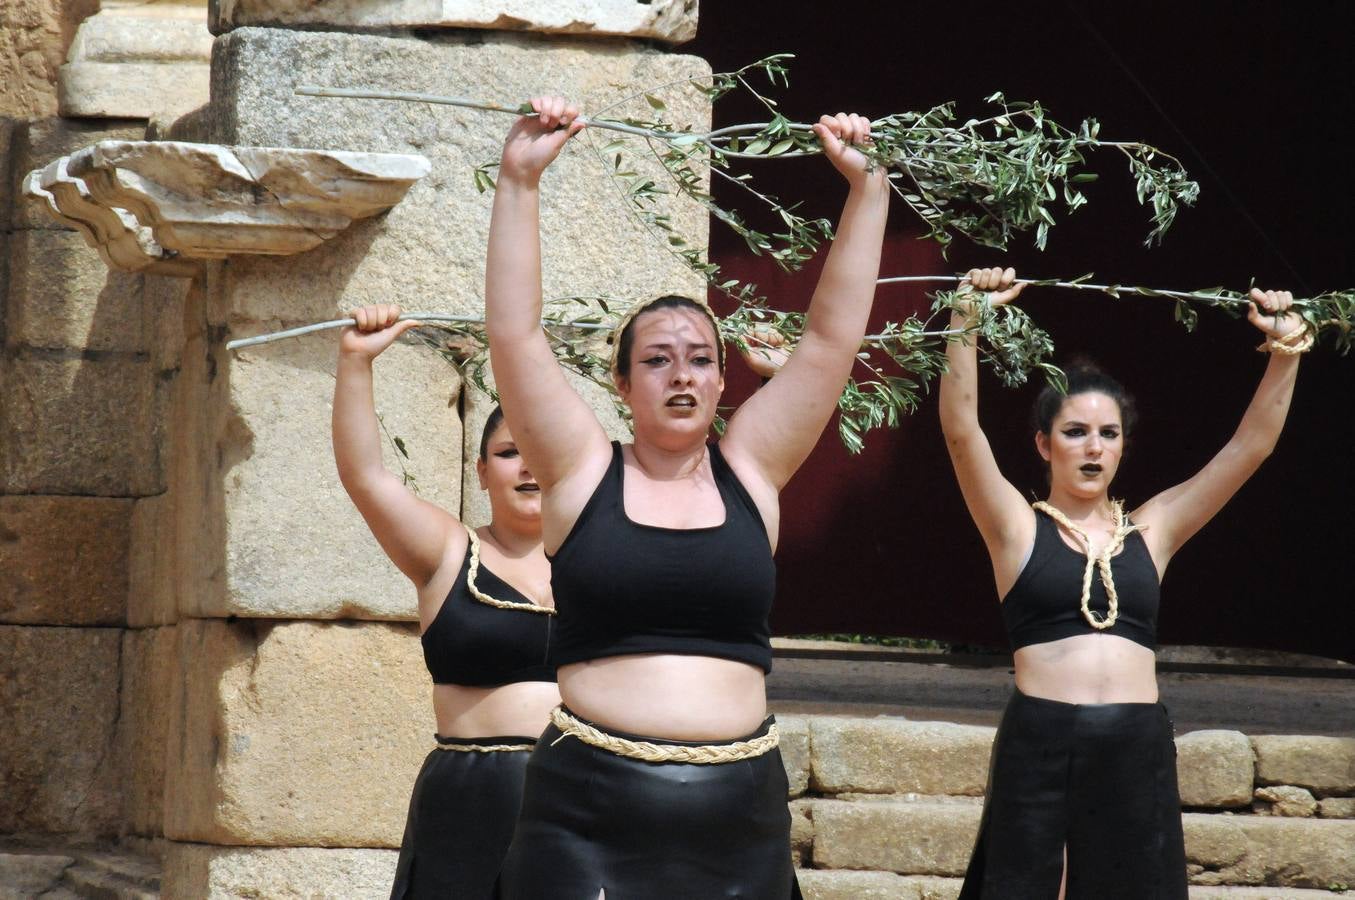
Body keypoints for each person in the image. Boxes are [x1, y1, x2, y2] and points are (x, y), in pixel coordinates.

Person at [483, 96, 890, 898]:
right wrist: (517, 183)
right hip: (587, 811)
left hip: (737, 817)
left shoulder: (753, 471)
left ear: (721, 378)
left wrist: (867, 191)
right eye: (658, 360)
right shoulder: (578, 473)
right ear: (622, 382)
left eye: (700, 360)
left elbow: (829, 342)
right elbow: (515, 337)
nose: (681, 376)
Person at [940, 267, 1307, 899]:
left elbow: (1252, 446)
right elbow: (961, 429)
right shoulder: (1014, 529)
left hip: (1135, 743)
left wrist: (1285, 350)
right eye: (1074, 431)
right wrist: (964, 320)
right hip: (1042, 739)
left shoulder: (1154, 529)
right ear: (1044, 443)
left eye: (1107, 434)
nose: (1092, 446)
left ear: (1123, 448)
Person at [332, 303, 559, 899]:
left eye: (542, 448)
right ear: (482, 472)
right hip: (471, 799)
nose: (528, 464)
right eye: (510, 452)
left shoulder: (609, 557)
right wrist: (356, 363)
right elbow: (366, 476)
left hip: (586, 793)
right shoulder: (446, 552)